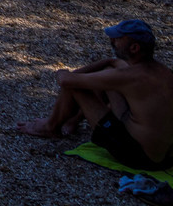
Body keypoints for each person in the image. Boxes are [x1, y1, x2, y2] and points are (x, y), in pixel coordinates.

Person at [16, 19, 173, 170]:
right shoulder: (163, 72)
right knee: (106, 73)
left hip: (140, 157)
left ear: (134, 48)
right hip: (167, 157)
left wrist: (63, 71)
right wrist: (107, 62)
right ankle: (73, 121)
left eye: (118, 39)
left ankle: (50, 126)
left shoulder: (130, 76)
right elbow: (114, 65)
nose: (113, 41)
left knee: (75, 86)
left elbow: (66, 80)